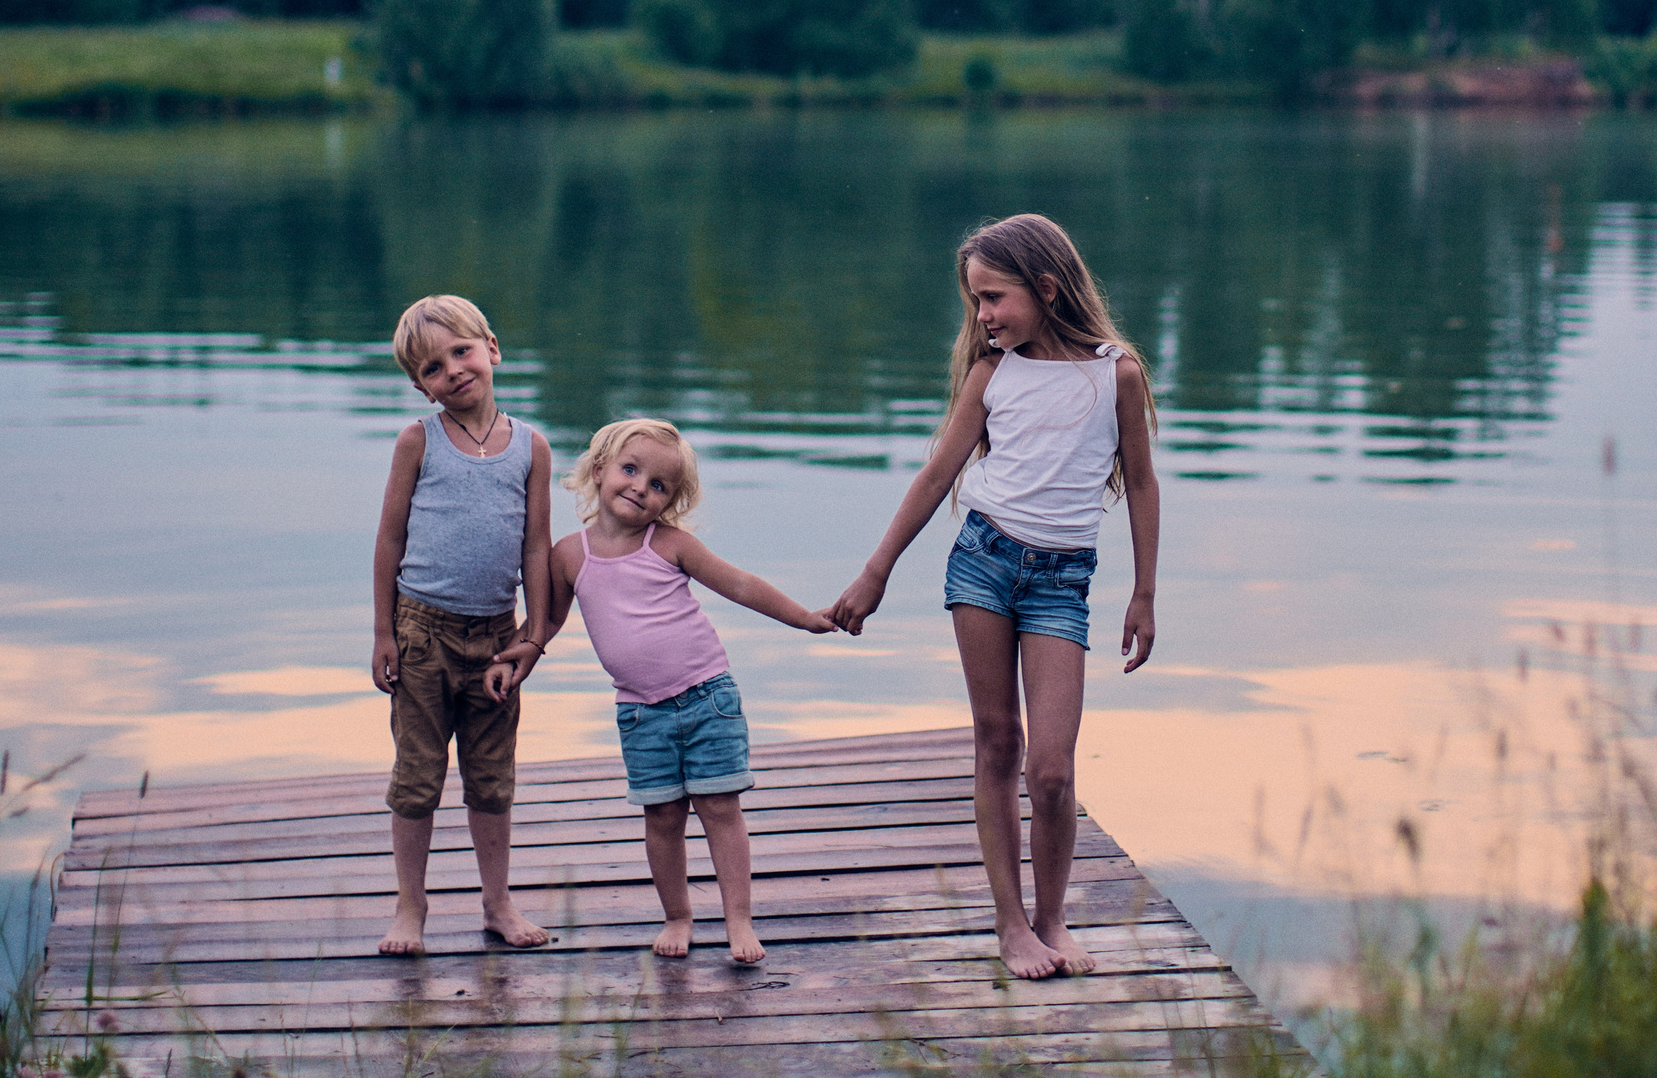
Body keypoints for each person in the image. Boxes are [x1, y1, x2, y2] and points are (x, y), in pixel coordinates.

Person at [829, 213, 1159, 980]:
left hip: (1061, 582)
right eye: (975, 301)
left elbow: (1141, 482)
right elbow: (936, 474)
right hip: (982, 562)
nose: (982, 315)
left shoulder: (1117, 373)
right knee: (997, 743)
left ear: (1045, 288)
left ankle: (1053, 917)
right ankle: (1011, 924)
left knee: (1052, 767)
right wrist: (875, 571)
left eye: (993, 297)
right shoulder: (992, 374)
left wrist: (1143, 592)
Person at [538, 418, 836, 965]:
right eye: (631, 470)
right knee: (662, 817)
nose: (641, 488)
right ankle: (678, 916)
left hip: (706, 699)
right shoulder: (568, 556)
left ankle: (739, 921)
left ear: (669, 501)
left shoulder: (671, 544)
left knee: (720, 808)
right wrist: (517, 653)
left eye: (659, 486)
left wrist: (803, 618)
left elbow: (741, 584)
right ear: (600, 470)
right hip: (638, 712)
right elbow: (546, 625)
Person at [370, 294, 553, 957]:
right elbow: (390, 538)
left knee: (491, 775)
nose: (452, 370)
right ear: (419, 385)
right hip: (421, 632)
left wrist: (533, 632)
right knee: (418, 773)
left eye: (461, 351)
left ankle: (497, 901)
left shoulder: (531, 445)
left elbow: (536, 545)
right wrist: (384, 631)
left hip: (497, 639)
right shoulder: (418, 441)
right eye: (432, 366)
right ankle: (410, 905)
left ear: (492, 348)